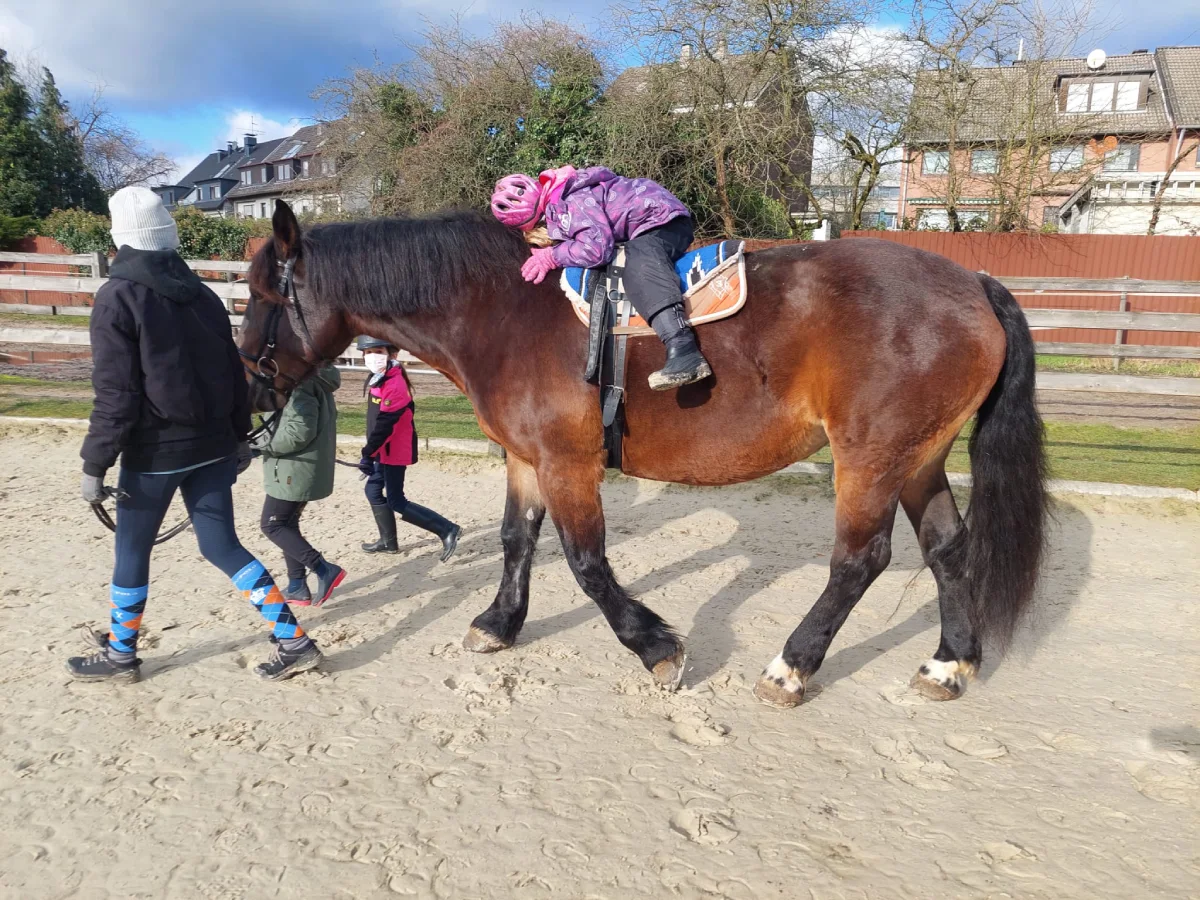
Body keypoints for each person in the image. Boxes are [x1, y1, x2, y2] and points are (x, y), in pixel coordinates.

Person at [69, 186, 321, 684]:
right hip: (211, 447)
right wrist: (238, 436)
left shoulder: (117, 297)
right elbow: (232, 372)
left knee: (132, 551)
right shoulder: (201, 295)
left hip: (155, 452)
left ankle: (122, 653)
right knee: (222, 546)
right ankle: (294, 641)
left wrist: (95, 463)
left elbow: (116, 394)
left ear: (121, 236)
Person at [490, 166, 712, 391]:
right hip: (653, 214)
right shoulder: (563, 195)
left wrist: (552, 256)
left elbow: (595, 248)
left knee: (640, 266)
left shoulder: (567, 202)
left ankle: (684, 349)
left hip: (659, 220)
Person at [356, 336, 461, 560]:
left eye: (378, 351)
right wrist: (371, 453)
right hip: (380, 450)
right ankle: (388, 542)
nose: (371, 357)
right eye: (367, 352)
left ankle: (447, 529)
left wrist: (368, 454)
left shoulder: (394, 384)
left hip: (394, 450)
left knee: (396, 500)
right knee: (373, 491)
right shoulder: (378, 378)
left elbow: (385, 426)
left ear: (392, 355)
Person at [256, 363, 345, 607]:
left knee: (272, 525)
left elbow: (298, 432)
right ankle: (297, 585)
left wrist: (261, 445)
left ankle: (324, 568)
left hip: (293, 470)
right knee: (287, 524)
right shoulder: (308, 378)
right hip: (296, 468)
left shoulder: (299, 385)